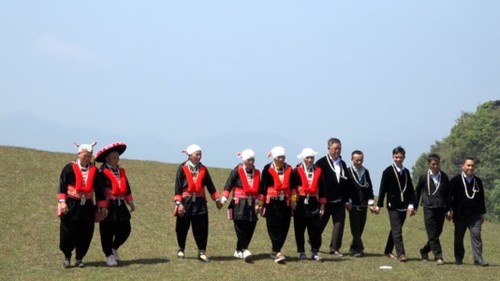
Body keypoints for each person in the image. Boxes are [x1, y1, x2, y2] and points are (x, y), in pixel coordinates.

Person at [173, 144, 223, 262]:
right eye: (197, 154)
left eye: (200, 154)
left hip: (200, 202)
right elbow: (178, 187)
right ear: (190, 155)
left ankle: (201, 252)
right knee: (182, 227)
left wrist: (217, 199)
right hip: (186, 202)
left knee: (201, 227)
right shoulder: (182, 168)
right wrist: (179, 203)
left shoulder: (203, 169)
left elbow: (210, 185)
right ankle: (181, 249)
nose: (199, 156)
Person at [58, 142, 103, 268]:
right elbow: (61, 185)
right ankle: (67, 256)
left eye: (89, 156)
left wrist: (102, 206)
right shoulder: (69, 168)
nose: (87, 158)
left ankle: (79, 258)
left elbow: (99, 189)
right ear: (78, 154)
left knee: (86, 232)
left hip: (87, 205)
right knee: (68, 231)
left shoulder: (94, 171)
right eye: (85, 155)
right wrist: (62, 202)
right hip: (71, 204)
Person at [94, 142, 136, 267]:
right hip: (107, 205)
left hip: (120, 204)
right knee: (107, 231)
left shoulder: (120, 171)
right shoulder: (101, 173)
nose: (116, 160)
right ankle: (109, 255)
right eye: (113, 158)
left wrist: (130, 202)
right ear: (107, 159)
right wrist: (102, 206)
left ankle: (114, 247)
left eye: (117, 157)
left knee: (126, 229)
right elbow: (100, 190)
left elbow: (126, 187)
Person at [373, 146, 416, 262]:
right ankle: (401, 254)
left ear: (404, 157)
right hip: (392, 205)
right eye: (396, 157)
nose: (398, 159)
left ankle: (387, 250)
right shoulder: (387, 171)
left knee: (396, 229)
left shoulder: (406, 172)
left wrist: (412, 205)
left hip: (403, 205)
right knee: (397, 230)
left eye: (400, 157)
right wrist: (379, 205)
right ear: (392, 157)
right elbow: (382, 189)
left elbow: (411, 190)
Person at [315, 138, 356, 257]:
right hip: (325, 201)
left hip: (339, 201)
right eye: (335, 148)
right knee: (320, 224)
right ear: (329, 149)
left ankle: (335, 248)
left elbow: (346, 183)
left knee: (339, 224)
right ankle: (314, 245)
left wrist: (347, 200)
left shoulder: (342, 163)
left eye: (339, 148)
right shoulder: (321, 163)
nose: (337, 151)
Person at [220, 149, 261, 261]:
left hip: (252, 203)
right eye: (249, 160)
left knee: (251, 226)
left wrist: (258, 204)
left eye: (253, 159)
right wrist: (223, 199)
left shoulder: (257, 173)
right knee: (241, 227)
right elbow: (228, 185)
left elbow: (259, 191)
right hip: (239, 203)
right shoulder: (236, 171)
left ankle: (239, 250)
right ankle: (244, 249)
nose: (251, 162)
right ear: (244, 160)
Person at [449, 157, 488, 266]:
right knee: (459, 237)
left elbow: (481, 198)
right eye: (468, 165)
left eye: (472, 165)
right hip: (460, 215)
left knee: (476, 234)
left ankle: (478, 259)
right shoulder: (455, 180)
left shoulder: (478, 181)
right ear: (463, 166)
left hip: (474, 215)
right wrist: (449, 209)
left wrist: (482, 214)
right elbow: (449, 196)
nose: (470, 168)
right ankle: (459, 258)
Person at [260, 146, 296, 263]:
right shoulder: (267, 169)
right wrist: (260, 204)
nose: (281, 159)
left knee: (284, 226)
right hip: (272, 202)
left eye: (283, 157)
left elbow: (294, 187)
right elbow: (263, 188)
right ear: (274, 158)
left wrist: (294, 200)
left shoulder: (289, 168)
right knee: (273, 226)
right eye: (279, 157)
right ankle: (277, 251)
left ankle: (276, 250)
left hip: (285, 202)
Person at [414, 153, 450, 265]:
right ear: (429, 164)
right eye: (433, 164)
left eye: (437, 164)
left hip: (441, 207)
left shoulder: (444, 176)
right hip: (428, 207)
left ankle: (424, 250)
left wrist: (449, 209)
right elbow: (417, 191)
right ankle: (438, 256)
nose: (435, 166)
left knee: (437, 232)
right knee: (432, 233)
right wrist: (414, 206)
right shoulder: (424, 176)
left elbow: (448, 194)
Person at [292, 148, 325, 261]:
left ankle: (315, 251)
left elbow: (323, 190)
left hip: (314, 203)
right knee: (299, 229)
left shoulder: (318, 171)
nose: (310, 160)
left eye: (312, 158)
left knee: (315, 229)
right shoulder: (296, 171)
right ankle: (301, 251)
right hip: (300, 203)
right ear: (303, 158)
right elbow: (292, 188)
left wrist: (322, 205)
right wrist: (293, 201)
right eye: (308, 158)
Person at [345, 150, 375, 258]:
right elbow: (345, 189)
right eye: (357, 160)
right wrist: (347, 202)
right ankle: (359, 249)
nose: (359, 162)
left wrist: (371, 203)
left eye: (361, 160)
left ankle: (353, 247)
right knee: (355, 227)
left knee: (361, 226)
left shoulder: (365, 171)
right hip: (353, 204)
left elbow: (369, 188)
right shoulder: (347, 171)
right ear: (352, 159)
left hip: (363, 204)